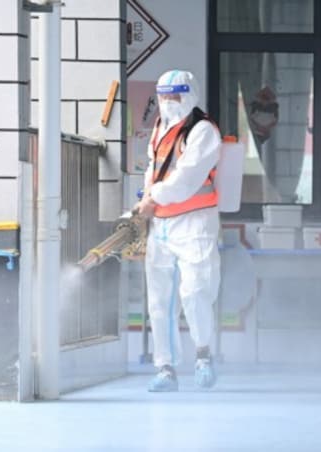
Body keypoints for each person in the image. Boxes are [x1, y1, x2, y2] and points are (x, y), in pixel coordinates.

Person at [134, 70, 222, 392]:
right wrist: (146, 199)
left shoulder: (202, 131)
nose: (169, 103)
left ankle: (203, 355)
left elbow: (186, 178)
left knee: (195, 291)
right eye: (165, 96)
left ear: (190, 94)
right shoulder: (160, 128)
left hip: (195, 222)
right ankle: (165, 368)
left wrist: (153, 199)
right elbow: (153, 170)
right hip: (161, 224)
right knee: (160, 299)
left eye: (176, 96)